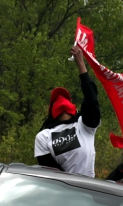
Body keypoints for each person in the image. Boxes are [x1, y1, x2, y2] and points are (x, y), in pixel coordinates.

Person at [34, 44, 101, 177]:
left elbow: (91, 99)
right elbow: (51, 174)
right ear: (51, 111)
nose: (60, 99)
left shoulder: (84, 125)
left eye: (65, 98)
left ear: (74, 107)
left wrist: (81, 65)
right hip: (64, 191)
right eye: (56, 100)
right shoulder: (43, 137)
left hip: (88, 188)